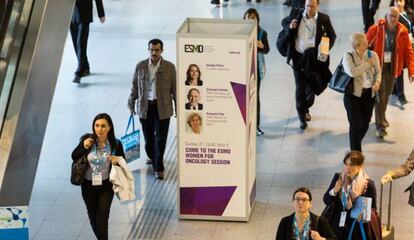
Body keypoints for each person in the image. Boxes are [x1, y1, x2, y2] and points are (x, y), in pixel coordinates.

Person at [281, 0, 336, 129]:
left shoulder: (324, 19)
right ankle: (302, 117)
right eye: (307, 5)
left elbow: (332, 36)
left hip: (313, 59)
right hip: (298, 58)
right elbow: (284, 22)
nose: (309, 8)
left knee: (311, 87)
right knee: (300, 87)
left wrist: (325, 49)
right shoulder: (296, 13)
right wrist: (290, 26)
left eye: (312, 6)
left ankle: (305, 108)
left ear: (317, 5)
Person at [128, 39, 176, 180]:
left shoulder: (169, 67)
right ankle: (152, 156)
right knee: (149, 139)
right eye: (151, 50)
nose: (154, 52)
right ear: (148, 50)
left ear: (162, 50)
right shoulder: (140, 66)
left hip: (163, 107)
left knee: (161, 138)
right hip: (145, 107)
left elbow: (175, 89)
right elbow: (135, 87)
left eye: (156, 50)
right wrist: (131, 104)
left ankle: (158, 168)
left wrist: (178, 108)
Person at [71, 113, 125, 240]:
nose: (99, 129)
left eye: (103, 126)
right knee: (93, 218)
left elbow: (123, 162)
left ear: (109, 127)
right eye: (97, 125)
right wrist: (84, 147)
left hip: (106, 186)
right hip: (88, 186)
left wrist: (116, 161)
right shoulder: (87, 140)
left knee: (103, 219)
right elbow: (74, 156)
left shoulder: (116, 144)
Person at [366, 7, 414, 138]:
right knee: (380, 97)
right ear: (386, 16)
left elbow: (409, 52)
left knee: (386, 96)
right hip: (378, 68)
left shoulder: (402, 31)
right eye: (390, 16)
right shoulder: (376, 29)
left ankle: (382, 117)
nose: (392, 19)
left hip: (393, 68)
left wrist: (411, 71)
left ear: (399, 17)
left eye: (395, 16)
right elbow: (363, 46)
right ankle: (380, 126)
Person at [323, 151, 379, 240]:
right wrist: (335, 190)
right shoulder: (339, 178)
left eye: (352, 165)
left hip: (356, 225)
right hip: (337, 221)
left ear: (360, 166)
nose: (348, 168)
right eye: (346, 164)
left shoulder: (368, 185)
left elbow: (373, 209)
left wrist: (365, 214)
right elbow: (326, 200)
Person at [342, 32, 381, 152]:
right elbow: (352, 72)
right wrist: (367, 64)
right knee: (355, 126)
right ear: (356, 46)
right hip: (353, 96)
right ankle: (356, 155)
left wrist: (377, 82)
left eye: (366, 41)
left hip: (369, 94)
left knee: (365, 123)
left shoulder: (372, 55)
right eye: (364, 43)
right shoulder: (348, 56)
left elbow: (378, 71)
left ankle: (355, 144)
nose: (367, 44)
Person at [243, 8, 270, 136]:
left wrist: (262, 46)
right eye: (248, 18)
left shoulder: (262, 33)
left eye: (253, 18)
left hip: (255, 70)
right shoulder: (241, 32)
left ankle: (256, 125)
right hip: (242, 68)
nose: (250, 20)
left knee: (254, 97)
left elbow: (267, 50)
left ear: (257, 19)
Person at [70, 0, 105, 84]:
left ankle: (79, 71)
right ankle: (85, 67)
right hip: (71, 12)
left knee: (81, 43)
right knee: (75, 43)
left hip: (84, 12)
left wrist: (101, 13)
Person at [390, 0, 414, 105]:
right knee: (399, 69)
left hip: (410, 45)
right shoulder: (392, 15)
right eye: (396, 1)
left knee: (405, 66)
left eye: (400, 1)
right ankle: (400, 94)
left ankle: (394, 88)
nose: (398, 4)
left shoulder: (410, 13)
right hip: (397, 47)